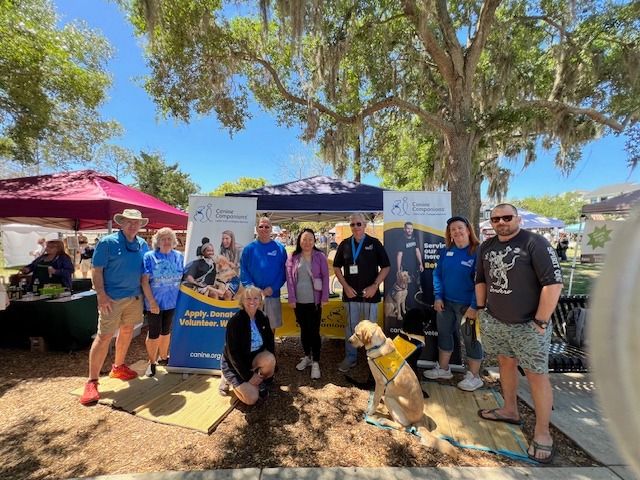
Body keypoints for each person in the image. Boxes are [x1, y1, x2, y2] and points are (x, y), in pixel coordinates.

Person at [475, 203, 563, 463]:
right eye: (495, 219)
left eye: (506, 217)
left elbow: (553, 284)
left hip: (529, 326)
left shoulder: (535, 243)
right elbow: (481, 279)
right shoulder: (487, 247)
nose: (501, 222)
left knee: (537, 376)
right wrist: (481, 310)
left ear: (518, 218)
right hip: (497, 321)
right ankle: (509, 409)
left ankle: (542, 432)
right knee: (505, 364)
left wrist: (541, 321)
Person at [79, 209, 150, 406]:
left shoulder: (142, 244)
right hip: (111, 298)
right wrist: (101, 295)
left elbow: (146, 270)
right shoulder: (107, 242)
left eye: (136, 222)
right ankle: (92, 381)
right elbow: (96, 270)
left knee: (127, 331)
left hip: (135, 297)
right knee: (104, 336)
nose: (133, 225)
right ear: (121, 223)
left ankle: (118, 367)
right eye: (129, 222)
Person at [423, 216, 484, 392]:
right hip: (446, 303)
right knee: (444, 334)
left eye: (459, 228)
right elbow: (437, 275)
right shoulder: (446, 251)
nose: (456, 232)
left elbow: (481, 282)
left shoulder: (477, 251)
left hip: (467, 306)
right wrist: (438, 296)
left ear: (468, 229)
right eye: (453, 229)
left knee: (471, 339)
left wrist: (474, 306)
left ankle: (474, 376)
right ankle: (443, 369)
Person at [333, 213, 390, 372]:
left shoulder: (374, 243)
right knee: (351, 328)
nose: (356, 227)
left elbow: (386, 267)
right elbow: (336, 267)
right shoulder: (344, 244)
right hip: (351, 295)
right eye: (352, 225)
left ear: (365, 225)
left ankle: (373, 359)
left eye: (359, 224)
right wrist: (344, 286)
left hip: (370, 296)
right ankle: (350, 358)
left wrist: (375, 285)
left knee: (371, 330)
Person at [219, 286, 276, 405]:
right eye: (248, 298)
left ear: (260, 301)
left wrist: (272, 369)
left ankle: (257, 381)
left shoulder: (262, 317)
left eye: (255, 298)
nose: (252, 301)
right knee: (252, 399)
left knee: (270, 359)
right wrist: (248, 376)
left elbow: (270, 342)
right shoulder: (235, 322)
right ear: (242, 301)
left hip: (252, 359)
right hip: (235, 364)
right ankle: (228, 377)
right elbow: (233, 353)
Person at [286, 228, 330, 380]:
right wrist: (292, 298)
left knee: (314, 332)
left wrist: (324, 297)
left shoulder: (320, 256)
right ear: (299, 240)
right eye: (304, 239)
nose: (307, 242)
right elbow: (290, 280)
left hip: (315, 302)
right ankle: (307, 356)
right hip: (299, 303)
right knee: (304, 331)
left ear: (314, 241)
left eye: (310, 239)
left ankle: (316, 362)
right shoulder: (293, 257)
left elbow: (325, 277)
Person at [141, 228, 184, 376]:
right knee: (154, 333)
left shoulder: (178, 256)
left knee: (166, 331)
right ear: (157, 242)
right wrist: (152, 302)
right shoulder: (149, 256)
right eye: (163, 239)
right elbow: (144, 282)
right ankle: (151, 362)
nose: (166, 242)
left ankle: (163, 357)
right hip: (155, 302)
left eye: (169, 239)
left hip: (172, 302)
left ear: (173, 241)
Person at [240, 217, 287, 334]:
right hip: (253, 296)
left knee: (271, 327)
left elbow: (283, 272)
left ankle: (270, 350)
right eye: (261, 226)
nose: (264, 229)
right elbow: (243, 271)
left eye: (267, 226)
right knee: (253, 327)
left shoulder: (280, 249)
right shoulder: (249, 249)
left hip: (272, 294)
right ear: (257, 228)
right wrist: (253, 289)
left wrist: (272, 288)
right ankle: (255, 351)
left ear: (271, 229)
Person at [395, 221, 424, 309]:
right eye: (407, 228)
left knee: (415, 285)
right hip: (405, 268)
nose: (409, 230)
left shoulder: (415, 238)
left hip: (414, 267)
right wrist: (399, 269)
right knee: (406, 287)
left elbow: (417, 251)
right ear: (404, 229)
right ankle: (406, 306)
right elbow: (399, 254)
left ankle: (415, 305)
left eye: (411, 229)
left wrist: (420, 263)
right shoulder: (401, 240)